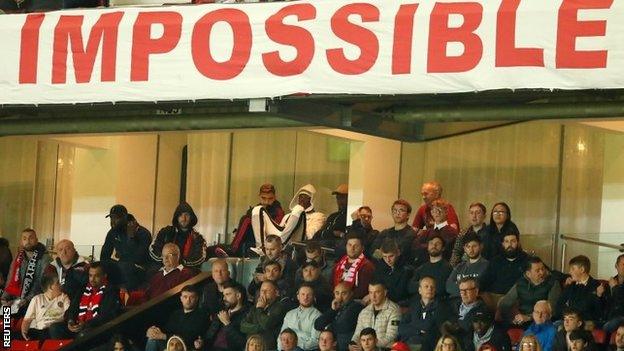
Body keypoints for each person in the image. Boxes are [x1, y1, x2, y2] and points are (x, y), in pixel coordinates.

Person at [52, 262, 121, 338]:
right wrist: (70, 320)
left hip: (95, 328)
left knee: (84, 334)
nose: (92, 279)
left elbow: (105, 316)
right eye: (90, 275)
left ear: (104, 276)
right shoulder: (83, 289)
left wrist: (86, 324)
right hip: (78, 325)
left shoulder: (110, 290)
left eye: (96, 276)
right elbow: (72, 308)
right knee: (55, 328)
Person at [251, 184, 326, 249]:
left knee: (298, 208)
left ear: (312, 200)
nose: (302, 200)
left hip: (298, 242)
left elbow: (310, 236)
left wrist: (298, 221)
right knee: (257, 209)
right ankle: (261, 248)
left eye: (306, 197)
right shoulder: (288, 216)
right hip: (281, 239)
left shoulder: (318, 216)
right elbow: (280, 231)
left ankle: (279, 244)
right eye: (301, 197)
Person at [499, 256, 561, 326]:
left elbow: (552, 310)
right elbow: (505, 303)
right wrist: (512, 318)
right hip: (523, 321)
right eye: (537, 270)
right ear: (528, 274)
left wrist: (529, 317)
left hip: (544, 322)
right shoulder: (521, 283)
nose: (542, 272)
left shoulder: (553, 283)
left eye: (543, 269)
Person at [1, 228, 51, 316]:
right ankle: (7, 329)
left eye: (31, 238)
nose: (27, 241)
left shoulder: (45, 258)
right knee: (5, 315)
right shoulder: (18, 258)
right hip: (16, 299)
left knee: (14, 316)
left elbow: (42, 284)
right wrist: (4, 298)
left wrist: (26, 300)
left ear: (36, 240)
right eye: (24, 238)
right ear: (21, 242)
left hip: (34, 301)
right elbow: (10, 279)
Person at [101, 206, 152, 290]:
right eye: (111, 218)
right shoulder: (113, 232)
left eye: (116, 218)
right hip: (121, 266)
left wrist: (131, 237)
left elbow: (138, 258)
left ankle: (126, 297)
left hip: (139, 269)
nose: (112, 221)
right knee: (98, 267)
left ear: (125, 217)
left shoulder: (143, 233)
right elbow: (104, 256)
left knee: (125, 267)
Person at [145, 284, 208, 351]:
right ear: (181, 298)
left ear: (197, 298)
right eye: (185, 297)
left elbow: (189, 337)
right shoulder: (176, 314)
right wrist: (154, 331)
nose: (188, 300)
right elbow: (167, 330)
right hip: (170, 344)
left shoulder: (201, 315)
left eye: (191, 297)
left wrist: (163, 336)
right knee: (152, 338)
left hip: (185, 347)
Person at [399, 276, 453, 351]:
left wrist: (412, 326)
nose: (429, 289)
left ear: (435, 290)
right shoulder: (414, 306)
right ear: (419, 290)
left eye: (432, 287)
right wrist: (419, 331)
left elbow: (428, 327)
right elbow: (401, 328)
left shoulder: (442, 307)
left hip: (428, 345)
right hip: (409, 343)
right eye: (426, 286)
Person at [231, 183, 285, 257]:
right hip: (253, 240)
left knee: (246, 219)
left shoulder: (278, 211)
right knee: (246, 219)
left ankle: (233, 249)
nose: (266, 201)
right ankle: (234, 249)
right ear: (259, 197)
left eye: (270, 199)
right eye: (264, 198)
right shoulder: (254, 209)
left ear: (275, 197)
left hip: (270, 240)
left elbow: (276, 232)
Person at [150, 202, 207, 269]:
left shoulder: (198, 238)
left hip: (185, 270)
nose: (183, 218)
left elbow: (199, 258)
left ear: (191, 217)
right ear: (176, 217)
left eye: (187, 215)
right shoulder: (165, 231)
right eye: (180, 215)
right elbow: (153, 249)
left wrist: (178, 264)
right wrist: (166, 261)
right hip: (163, 267)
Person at [555, 255, 608, 325]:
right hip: (567, 321)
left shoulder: (597, 286)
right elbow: (559, 305)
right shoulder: (570, 285)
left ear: (582, 269)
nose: (569, 272)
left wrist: (599, 296)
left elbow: (600, 313)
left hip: (585, 322)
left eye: (573, 269)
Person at [481, 232, 528, 308]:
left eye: (513, 241)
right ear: (503, 244)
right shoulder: (495, 261)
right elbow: (483, 281)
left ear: (518, 243)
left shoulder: (527, 259)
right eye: (506, 241)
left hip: (520, 300)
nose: (510, 245)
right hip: (496, 300)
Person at [241, 280, 291, 350]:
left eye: (267, 291)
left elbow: (267, 324)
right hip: (251, 347)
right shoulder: (255, 307)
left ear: (276, 293)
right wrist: (260, 328)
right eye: (262, 290)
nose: (263, 293)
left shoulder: (280, 307)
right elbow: (243, 326)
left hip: (268, 347)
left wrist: (260, 309)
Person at [315, 282, 364, 351]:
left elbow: (343, 326)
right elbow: (317, 325)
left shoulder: (356, 307)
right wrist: (333, 310)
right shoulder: (335, 307)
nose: (340, 297)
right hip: (332, 346)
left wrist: (328, 328)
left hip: (345, 346)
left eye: (344, 293)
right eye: (337, 293)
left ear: (351, 294)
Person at [351, 281, 400, 349]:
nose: (373, 296)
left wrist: (370, 346)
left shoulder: (394, 310)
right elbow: (357, 333)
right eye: (370, 292)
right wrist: (353, 343)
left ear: (385, 292)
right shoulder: (364, 312)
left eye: (377, 292)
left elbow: (392, 336)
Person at [21, 274, 70, 340]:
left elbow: (68, 314)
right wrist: (24, 331)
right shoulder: (37, 299)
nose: (60, 285)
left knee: (54, 328)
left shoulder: (64, 297)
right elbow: (27, 320)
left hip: (57, 328)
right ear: (50, 287)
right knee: (19, 335)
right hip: (41, 331)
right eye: (58, 283)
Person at [204, 281, 249, 351]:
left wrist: (227, 324)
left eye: (227, 294)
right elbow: (209, 335)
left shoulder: (247, 314)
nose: (224, 298)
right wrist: (201, 342)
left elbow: (243, 343)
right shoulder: (222, 311)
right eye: (224, 295)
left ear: (238, 296)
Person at [372, 200, 417, 265]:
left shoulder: (411, 234)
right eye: (395, 210)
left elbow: (400, 254)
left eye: (401, 210)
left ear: (408, 215)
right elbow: (372, 251)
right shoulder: (385, 233)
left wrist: (382, 254)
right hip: (382, 269)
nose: (397, 213)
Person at [279, 283, 322, 351]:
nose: (305, 297)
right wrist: (280, 348)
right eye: (303, 294)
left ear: (314, 297)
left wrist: (294, 345)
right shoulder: (290, 314)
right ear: (298, 296)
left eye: (309, 295)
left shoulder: (317, 316)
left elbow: (315, 341)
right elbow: (280, 337)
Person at [409, 235, 453, 300]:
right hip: (420, 303)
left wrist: (422, 285)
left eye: (437, 243)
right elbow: (410, 287)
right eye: (431, 243)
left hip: (438, 303)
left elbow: (440, 289)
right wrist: (430, 285)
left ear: (443, 248)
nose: (434, 246)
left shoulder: (447, 267)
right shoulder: (422, 267)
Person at [332, 233, 375, 299]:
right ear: (346, 246)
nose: (352, 248)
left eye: (356, 246)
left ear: (362, 248)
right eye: (349, 245)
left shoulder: (367, 266)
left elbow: (362, 292)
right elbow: (331, 284)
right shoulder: (339, 264)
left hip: (354, 302)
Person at [446, 233, 488, 299]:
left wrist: (459, 286)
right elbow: (449, 287)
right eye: (468, 246)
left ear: (481, 246)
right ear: (464, 249)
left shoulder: (486, 266)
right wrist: (468, 290)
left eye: (474, 246)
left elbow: (480, 288)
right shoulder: (459, 267)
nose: (471, 249)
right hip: (454, 302)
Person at [371, 238, 412, 305]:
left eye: (391, 256)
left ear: (398, 253)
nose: (388, 260)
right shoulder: (380, 268)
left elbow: (399, 294)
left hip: (398, 304)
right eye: (385, 257)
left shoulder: (406, 270)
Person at [604, 254, 624, 333]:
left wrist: (615, 288)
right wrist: (598, 296)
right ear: (616, 266)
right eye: (623, 264)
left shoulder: (613, 285)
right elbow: (603, 305)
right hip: (607, 318)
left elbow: (621, 306)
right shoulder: (609, 283)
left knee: (614, 322)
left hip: (620, 318)